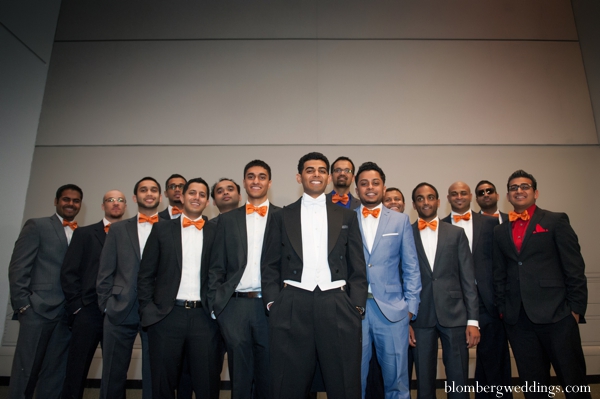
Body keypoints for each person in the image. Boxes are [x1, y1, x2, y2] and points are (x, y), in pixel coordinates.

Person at [262, 152, 367, 399]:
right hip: (292, 303)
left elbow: (357, 266)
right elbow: (269, 264)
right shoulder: (280, 216)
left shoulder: (348, 216)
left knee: (343, 380)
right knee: (289, 381)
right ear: (299, 177)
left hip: (338, 303)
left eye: (321, 170)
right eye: (310, 170)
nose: (316, 174)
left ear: (329, 177)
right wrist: (273, 303)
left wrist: (357, 306)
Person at [493, 170, 590, 398]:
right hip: (519, 320)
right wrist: (503, 310)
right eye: (514, 187)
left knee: (573, 381)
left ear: (535, 192)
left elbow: (574, 267)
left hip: (558, 316)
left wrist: (575, 310)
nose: (519, 191)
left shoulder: (555, 220)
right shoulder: (499, 231)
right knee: (533, 385)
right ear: (508, 196)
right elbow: (499, 273)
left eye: (524, 186)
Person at [138, 178, 221, 399]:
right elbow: (146, 274)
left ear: (207, 201)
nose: (196, 198)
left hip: (204, 318)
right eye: (192, 193)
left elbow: (220, 274)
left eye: (202, 194)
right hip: (166, 316)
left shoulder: (216, 232)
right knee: (162, 384)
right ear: (182, 197)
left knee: (207, 383)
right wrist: (148, 310)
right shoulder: (162, 229)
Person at [208, 160, 280, 399]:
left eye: (261, 177)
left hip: (271, 306)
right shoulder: (227, 220)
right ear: (244, 182)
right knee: (239, 375)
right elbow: (216, 266)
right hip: (234, 307)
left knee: (270, 373)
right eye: (251, 176)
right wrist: (217, 304)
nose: (256, 181)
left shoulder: (284, 216)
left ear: (269, 182)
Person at [8, 184, 83, 399]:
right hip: (37, 310)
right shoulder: (37, 225)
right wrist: (23, 304)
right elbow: (19, 266)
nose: (71, 204)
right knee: (26, 370)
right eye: (66, 199)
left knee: (55, 372)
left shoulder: (79, 232)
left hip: (66, 315)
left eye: (76, 200)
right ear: (56, 201)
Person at [353, 162, 420, 399]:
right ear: (356, 188)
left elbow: (411, 267)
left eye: (375, 182)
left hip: (392, 312)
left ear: (383, 186)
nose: (370, 188)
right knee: (353, 380)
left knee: (397, 382)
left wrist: (410, 308)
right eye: (364, 183)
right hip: (354, 310)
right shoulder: (346, 219)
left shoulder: (400, 220)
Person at [442, 182, 512, 398]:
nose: (459, 197)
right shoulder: (439, 226)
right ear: (448, 198)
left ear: (470, 196)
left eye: (463, 193)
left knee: (493, 360)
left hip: (486, 301)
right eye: (454, 194)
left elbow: (501, 263)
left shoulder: (491, 224)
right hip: (452, 303)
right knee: (455, 360)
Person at [410, 182, 479, 399]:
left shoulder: (456, 233)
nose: (426, 202)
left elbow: (468, 278)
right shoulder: (406, 233)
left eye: (430, 197)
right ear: (414, 204)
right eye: (420, 198)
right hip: (420, 316)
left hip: (455, 315)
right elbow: (402, 279)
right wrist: (406, 321)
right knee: (424, 379)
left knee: (458, 377)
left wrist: (473, 321)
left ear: (439, 201)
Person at [96, 177, 162, 399]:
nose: (149, 193)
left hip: (156, 310)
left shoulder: (171, 227)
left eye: (153, 190)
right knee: (113, 373)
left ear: (160, 197)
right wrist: (106, 305)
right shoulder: (117, 229)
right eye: (143, 190)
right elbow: (105, 270)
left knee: (155, 375)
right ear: (135, 197)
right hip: (119, 309)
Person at [60, 190, 127, 399]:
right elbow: (69, 272)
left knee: (115, 372)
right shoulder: (84, 233)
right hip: (88, 310)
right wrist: (77, 307)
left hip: (118, 311)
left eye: (120, 200)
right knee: (76, 370)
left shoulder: (132, 235)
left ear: (126, 206)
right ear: (102, 206)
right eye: (110, 200)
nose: (115, 204)